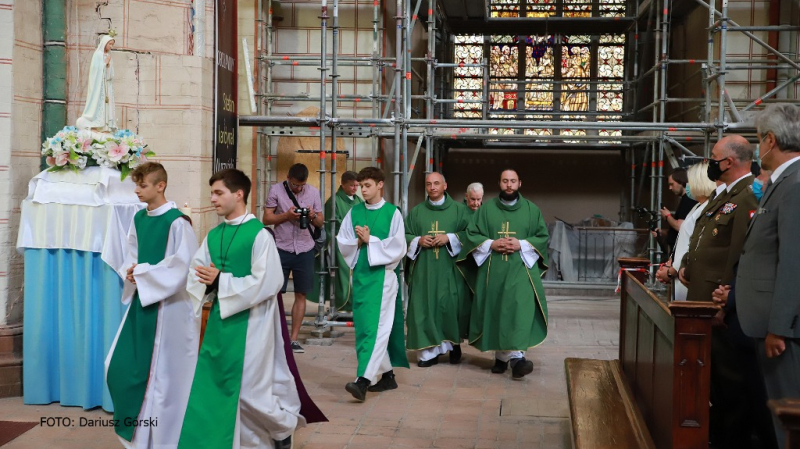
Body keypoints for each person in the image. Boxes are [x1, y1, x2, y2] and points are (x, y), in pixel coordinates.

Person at [180, 169, 305, 449]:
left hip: (254, 323)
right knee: (222, 386)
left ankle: (283, 428)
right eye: (212, 192)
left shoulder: (259, 235)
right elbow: (196, 272)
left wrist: (222, 280)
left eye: (218, 192)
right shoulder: (213, 235)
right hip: (220, 323)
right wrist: (209, 284)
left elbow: (270, 281)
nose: (212, 198)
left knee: (250, 391)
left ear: (239, 194)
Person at [105, 162, 199, 448]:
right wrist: (131, 271)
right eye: (136, 184)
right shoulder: (139, 219)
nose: (137, 190)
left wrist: (143, 273)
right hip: (143, 301)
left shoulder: (177, 222)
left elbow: (182, 267)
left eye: (143, 185)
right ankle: (141, 434)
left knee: (165, 378)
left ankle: (163, 437)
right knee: (117, 366)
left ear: (160, 185)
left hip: (170, 309)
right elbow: (130, 254)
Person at [677, 135, 759, 449]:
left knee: (729, 379)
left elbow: (737, 251)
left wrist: (725, 299)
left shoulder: (747, 194)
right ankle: (717, 432)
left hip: (717, 301)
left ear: (729, 162)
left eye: (713, 156)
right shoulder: (722, 194)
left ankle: (731, 439)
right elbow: (702, 236)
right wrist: (686, 263)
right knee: (712, 376)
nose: (710, 161)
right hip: (701, 297)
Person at [737, 103, 800, 448]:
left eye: (759, 139)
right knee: (779, 415)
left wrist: (779, 326)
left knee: (787, 416)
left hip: (782, 332)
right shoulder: (783, 182)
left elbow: (793, 261)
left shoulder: (795, 183)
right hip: (769, 325)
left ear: (771, 140)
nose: (758, 146)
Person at [457, 169, 549, 379]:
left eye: (513, 181)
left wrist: (521, 243)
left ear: (519, 183)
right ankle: (501, 357)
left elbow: (542, 237)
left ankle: (517, 358)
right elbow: (472, 234)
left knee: (518, 311)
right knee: (497, 311)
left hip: (521, 269)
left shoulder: (531, 210)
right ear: (499, 183)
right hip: (493, 269)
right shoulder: (486, 209)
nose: (509, 185)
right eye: (505, 181)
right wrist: (492, 243)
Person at [336, 167, 409, 402]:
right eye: (360, 186)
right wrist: (358, 242)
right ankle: (387, 376)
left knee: (376, 329)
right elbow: (342, 242)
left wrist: (372, 241)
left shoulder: (392, 213)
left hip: (384, 279)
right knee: (366, 328)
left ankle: (363, 380)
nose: (362, 190)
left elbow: (399, 247)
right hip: (361, 278)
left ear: (380, 185)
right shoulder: (354, 212)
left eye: (367, 185)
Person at [405, 173, 472, 367]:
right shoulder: (417, 212)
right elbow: (405, 234)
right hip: (424, 271)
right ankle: (428, 353)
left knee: (450, 307)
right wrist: (418, 240)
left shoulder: (460, 210)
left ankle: (453, 344)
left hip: (450, 269)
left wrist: (449, 238)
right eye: (428, 184)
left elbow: (471, 234)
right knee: (424, 308)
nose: (432, 187)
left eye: (436, 183)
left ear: (445, 185)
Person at [263, 163, 324, 353]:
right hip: (281, 247)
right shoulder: (276, 190)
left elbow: (321, 222)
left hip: (305, 249)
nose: (298, 188)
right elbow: (266, 219)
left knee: (301, 293)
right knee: (274, 293)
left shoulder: (313, 192)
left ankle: (293, 339)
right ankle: (273, 336)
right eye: (295, 185)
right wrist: (286, 216)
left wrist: (312, 216)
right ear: (288, 178)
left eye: (301, 185)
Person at [654, 162, 716, 300]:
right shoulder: (698, 207)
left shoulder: (708, 208)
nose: (688, 186)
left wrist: (670, 271)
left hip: (684, 273)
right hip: (678, 272)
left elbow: (692, 245)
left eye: (690, 182)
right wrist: (671, 261)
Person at [308, 171, 362, 312]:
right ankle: (343, 304)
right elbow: (332, 224)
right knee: (342, 275)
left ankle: (356, 305)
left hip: (358, 243)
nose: (355, 189)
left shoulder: (358, 201)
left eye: (357, 185)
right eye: (351, 185)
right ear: (342, 184)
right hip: (340, 244)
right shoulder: (334, 201)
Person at [76, 34, 117, 131]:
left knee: (107, 105)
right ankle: (96, 124)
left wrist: (108, 66)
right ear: (104, 43)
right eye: (109, 44)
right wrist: (105, 64)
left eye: (112, 45)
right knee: (98, 105)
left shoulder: (108, 56)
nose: (111, 46)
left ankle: (106, 126)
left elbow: (110, 75)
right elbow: (95, 71)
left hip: (107, 86)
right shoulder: (98, 54)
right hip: (99, 87)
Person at [652, 169, 697, 253]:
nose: (670, 188)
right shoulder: (684, 199)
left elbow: (680, 227)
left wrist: (668, 216)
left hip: (681, 250)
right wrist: (663, 232)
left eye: (672, 184)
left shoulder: (688, 200)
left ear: (681, 182)